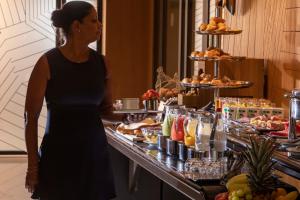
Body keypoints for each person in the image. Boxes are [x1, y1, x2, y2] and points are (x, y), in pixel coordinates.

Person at [24, 1, 126, 199]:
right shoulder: (47, 63)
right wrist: (32, 166)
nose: (100, 26)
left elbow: (106, 111)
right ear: (76, 26)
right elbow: (30, 117)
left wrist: (128, 118)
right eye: (94, 21)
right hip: (58, 156)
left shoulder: (103, 63)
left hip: (94, 157)